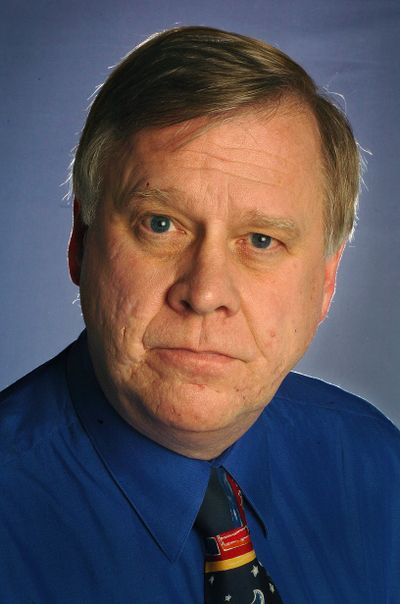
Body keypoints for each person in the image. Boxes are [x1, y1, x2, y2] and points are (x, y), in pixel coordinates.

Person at [1, 25, 399, 604]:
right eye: (160, 224)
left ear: (326, 283)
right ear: (80, 245)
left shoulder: (375, 466)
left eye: (261, 240)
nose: (205, 291)